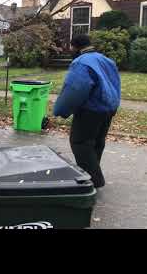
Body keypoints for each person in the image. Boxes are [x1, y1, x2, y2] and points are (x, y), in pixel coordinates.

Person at [53, 34, 121, 188]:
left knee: (80, 143)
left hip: (90, 110)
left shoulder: (81, 63)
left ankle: (93, 180)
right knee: (96, 143)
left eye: (71, 47)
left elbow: (76, 89)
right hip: (108, 109)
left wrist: (60, 110)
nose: (70, 50)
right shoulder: (106, 60)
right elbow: (115, 83)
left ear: (76, 47)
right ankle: (91, 173)